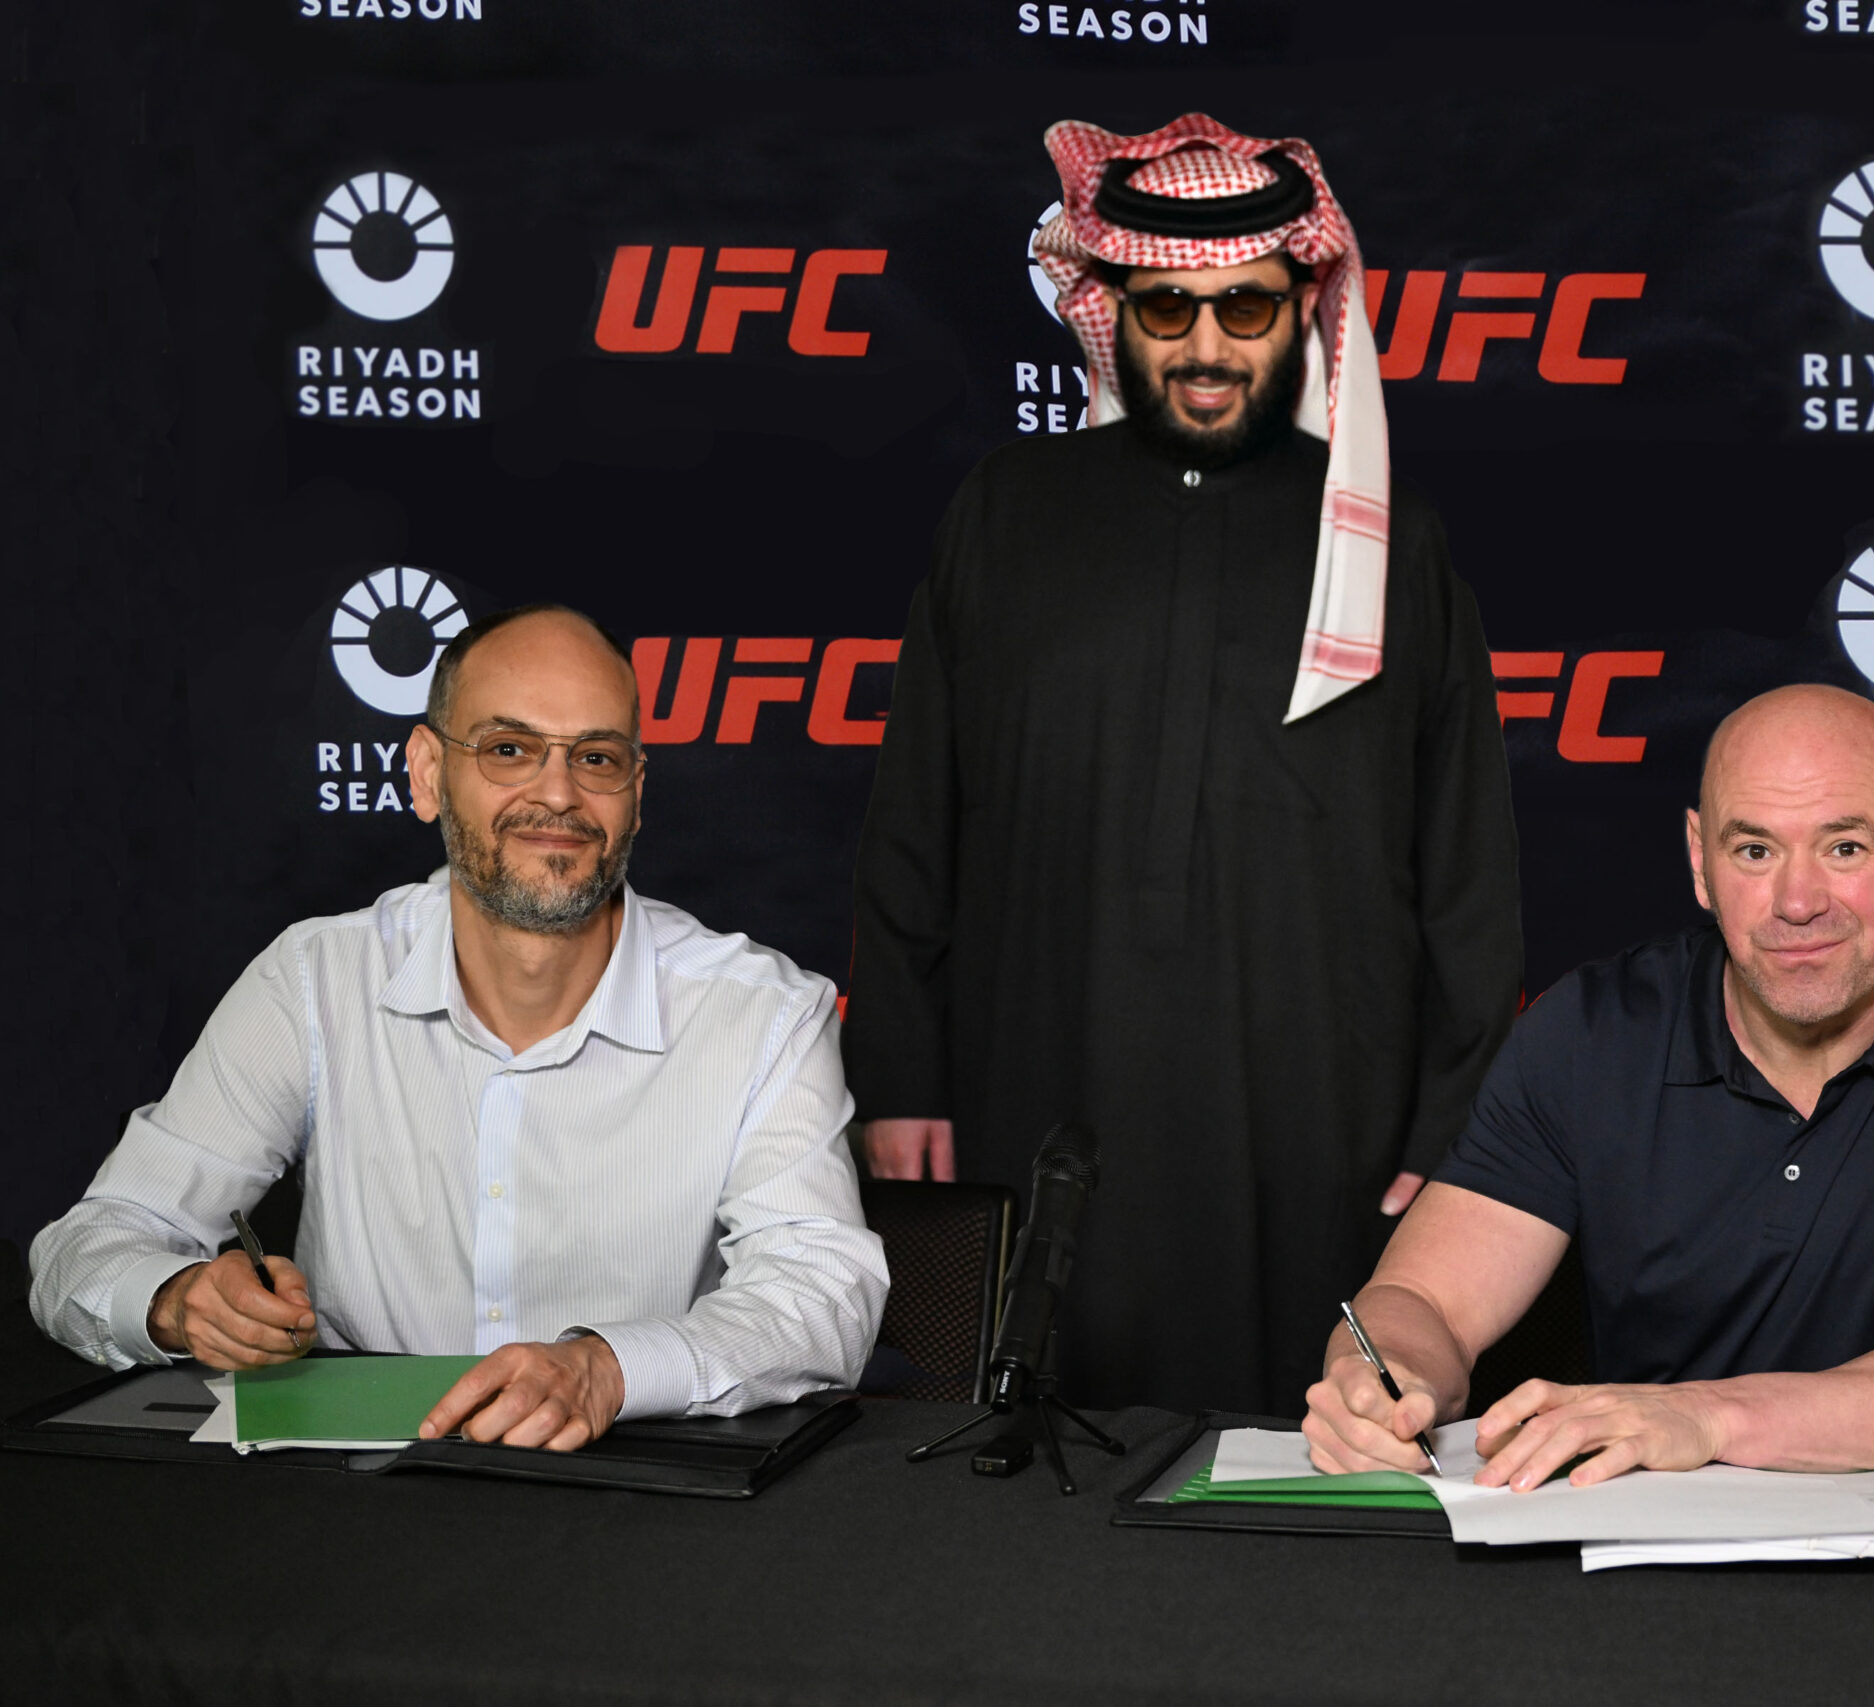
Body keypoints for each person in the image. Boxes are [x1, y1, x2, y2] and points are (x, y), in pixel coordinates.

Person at [848, 113, 1521, 1414]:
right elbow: (914, 826)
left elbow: (1466, 869)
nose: (1206, 348)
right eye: (1166, 309)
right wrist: (901, 1074)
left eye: (1245, 308)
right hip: (1036, 1073)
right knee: (1021, 1456)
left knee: (1298, 1452)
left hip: (1317, 1109)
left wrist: (1456, 1132)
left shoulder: (1389, 539)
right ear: (1111, 308)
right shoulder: (1005, 511)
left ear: (1303, 307)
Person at [29, 606, 887, 1451]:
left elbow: (823, 1292)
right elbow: (91, 1244)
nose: (558, 793)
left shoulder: (765, 1013)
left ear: (635, 793)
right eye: (509, 748)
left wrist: (609, 1368)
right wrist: (178, 1300)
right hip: (347, 1492)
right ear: (428, 771)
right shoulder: (313, 980)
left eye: (596, 757)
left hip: (634, 1492)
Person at [1304, 683, 1874, 1488]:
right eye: (1755, 851)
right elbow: (1424, 1298)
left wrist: (1706, 1418)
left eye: (1844, 847)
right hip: (1642, 1553)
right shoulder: (1593, 1031)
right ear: (1701, 861)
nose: (1798, 901)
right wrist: (1380, 1380)